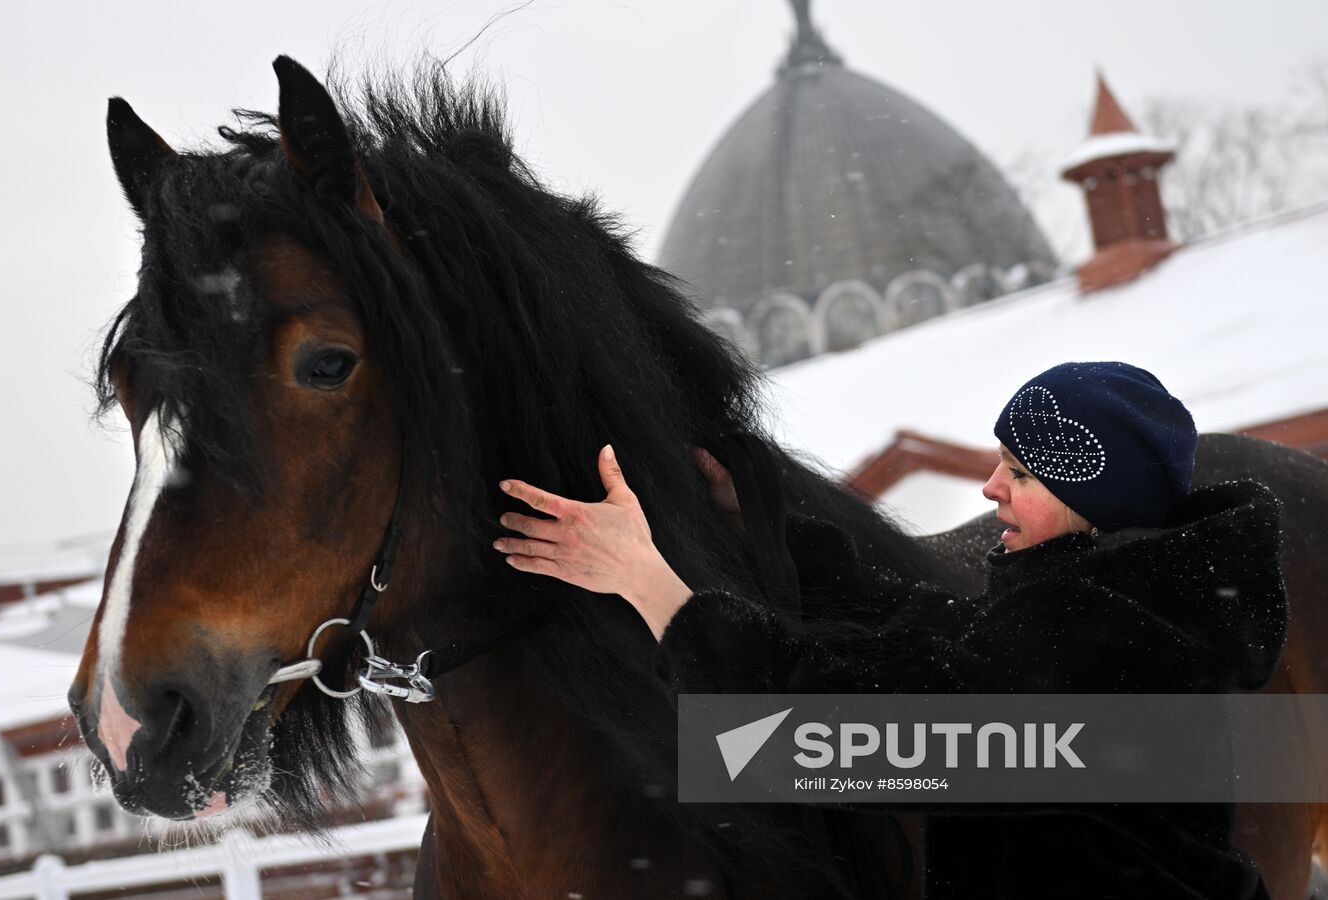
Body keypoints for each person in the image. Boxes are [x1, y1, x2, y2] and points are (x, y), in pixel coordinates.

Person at [493, 362, 1288, 900]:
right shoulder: (1125, 610)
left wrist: (645, 580)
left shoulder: (1097, 648)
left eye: (1019, 473)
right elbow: (929, 632)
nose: (991, 487)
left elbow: (833, 737)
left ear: (1095, 502)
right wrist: (767, 521)